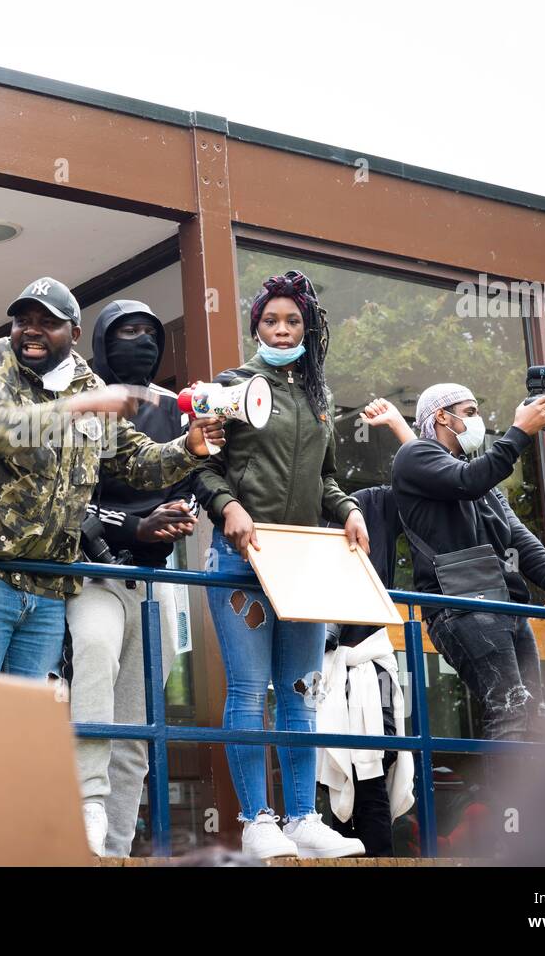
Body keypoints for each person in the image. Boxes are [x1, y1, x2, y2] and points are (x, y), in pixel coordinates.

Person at [0, 276, 222, 680]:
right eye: (23, 320)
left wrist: (191, 447)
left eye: (48, 322)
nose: (31, 330)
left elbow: (135, 460)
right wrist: (79, 408)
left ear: (74, 333)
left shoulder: (87, 384)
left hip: (45, 586)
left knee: (27, 730)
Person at [195, 271, 370, 860]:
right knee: (249, 690)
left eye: (292, 320)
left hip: (304, 561)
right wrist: (228, 506)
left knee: (303, 690)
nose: (281, 328)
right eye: (271, 320)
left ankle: (303, 818)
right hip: (241, 560)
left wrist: (347, 511)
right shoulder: (233, 385)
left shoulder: (319, 400)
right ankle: (256, 820)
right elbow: (200, 465)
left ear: (308, 328)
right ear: (256, 326)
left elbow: (326, 480)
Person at [66, 299, 197, 857]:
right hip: (92, 572)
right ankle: (86, 807)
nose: (139, 340)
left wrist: (174, 518)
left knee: (140, 720)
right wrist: (133, 525)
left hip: (156, 581)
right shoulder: (85, 399)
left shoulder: (179, 406)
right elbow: (75, 499)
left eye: (148, 331)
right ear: (99, 340)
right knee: (94, 664)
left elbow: (191, 480)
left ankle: (116, 846)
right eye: (124, 332)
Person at [390, 381, 545, 743]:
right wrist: (520, 432)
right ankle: (508, 803)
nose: (478, 421)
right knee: (509, 709)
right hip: (461, 606)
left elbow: (519, 536)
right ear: (441, 417)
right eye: (470, 412)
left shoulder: (482, 482)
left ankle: (538, 799)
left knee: (534, 718)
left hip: (504, 607)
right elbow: (466, 481)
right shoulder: (415, 456)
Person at [315, 398, 417, 857]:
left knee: (374, 779)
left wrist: (399, 426)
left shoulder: (376, 504)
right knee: (317, 796)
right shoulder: (292, 512)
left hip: (369, 666)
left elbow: (433, 483)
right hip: (315, 668)